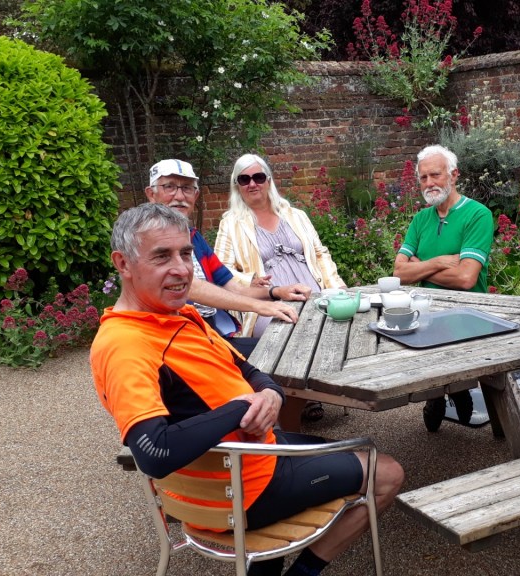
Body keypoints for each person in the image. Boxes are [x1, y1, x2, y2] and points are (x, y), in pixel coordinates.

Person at [90, 203, 404, 576]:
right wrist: (242, 408)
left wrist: (270, 395)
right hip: (240, 489)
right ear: (123, 264)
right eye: (162, 256)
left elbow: (249, 370)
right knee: (387, 472)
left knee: (345, 448)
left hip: (249, 459)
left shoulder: (178, 316)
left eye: (186, 254)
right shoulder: (125, 345)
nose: (181, 268)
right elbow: (154, 452)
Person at [145, 159, 311, 359]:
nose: (179, 196)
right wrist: (260, 306)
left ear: (195, 195)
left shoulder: (194, 238)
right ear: (151, 194)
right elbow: (190, 287)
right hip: (174, 343)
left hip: (209, 335)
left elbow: (234, 288)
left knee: (286, 347)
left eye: (187, 188)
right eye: (169, 187)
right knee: (278, 356)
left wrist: (276, 292)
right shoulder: (147, 237)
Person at [393, 145, 493, 431]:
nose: (429, 183)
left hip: (468, 311)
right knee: (405, 335)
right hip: (426, 310)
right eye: (423, 177)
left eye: (435, 175)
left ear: (454, 175)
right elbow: (399, 273)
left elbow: (466, 279)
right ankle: (438, 393)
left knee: (443, 340)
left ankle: (451, 390)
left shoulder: (478, 215)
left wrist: (420, 266)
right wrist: (439, 262)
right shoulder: (420, 219)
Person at [214, 153, 346, 338]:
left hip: (312, 293)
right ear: (237, 186)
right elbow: (220, 269)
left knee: (335, 327)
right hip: (267, 304)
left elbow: (319, 254)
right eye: (244, 179)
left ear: (268, 181)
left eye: (258, 177)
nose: (252, 184)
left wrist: (336, 287)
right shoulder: (230, 224)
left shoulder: (296, 216)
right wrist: (249, 280)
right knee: (287, 334)